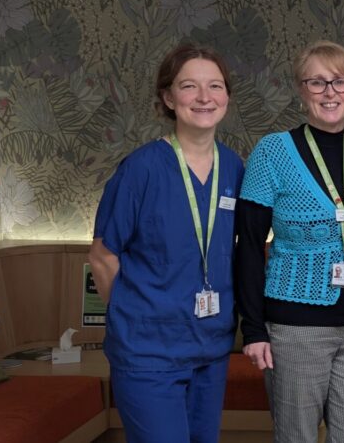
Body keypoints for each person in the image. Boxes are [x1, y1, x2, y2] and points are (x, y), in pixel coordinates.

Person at [234, 40, 344, 443]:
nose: (330, 92)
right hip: (296, 329)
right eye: (317, 82)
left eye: (340, 81)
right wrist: (252, 329)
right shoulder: (272, 152)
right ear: (301, 89)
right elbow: (249, 245)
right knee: (296, 437)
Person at [89, 43, 245, 443]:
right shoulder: (141, 169)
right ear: (169, 97)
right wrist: (139, 315)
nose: (205, 97)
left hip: (210, 347)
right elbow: (104, 257)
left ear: (227, 95)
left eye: (215, 86)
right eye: (190, 86)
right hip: (148, 353)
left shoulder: (234, 167)